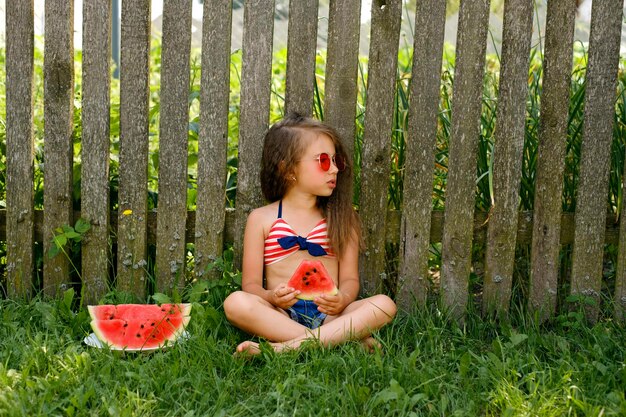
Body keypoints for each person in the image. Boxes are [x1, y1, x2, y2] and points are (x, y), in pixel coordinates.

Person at [224, 113, 397, 355]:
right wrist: (271, 296)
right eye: (323, 161)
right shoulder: (261, 218)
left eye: (336, 161)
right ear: (288, 170)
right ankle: (342, 340)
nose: (334, 169)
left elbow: (349, 279)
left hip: (331, 314)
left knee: (384, 305)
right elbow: (251, 284)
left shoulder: (342, 217)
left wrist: (344, 298)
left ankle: (281, 350)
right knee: (235, 302)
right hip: (281, 315)